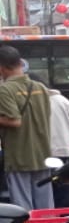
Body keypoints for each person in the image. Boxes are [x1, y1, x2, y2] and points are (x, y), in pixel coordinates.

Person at [0, 46, 53, 210]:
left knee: (23, 208)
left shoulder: (5, 89)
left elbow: (14, 121)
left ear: (2, 67)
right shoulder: (41, 88)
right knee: (45, 207)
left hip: (19, 157)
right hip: (43, 154)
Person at [48, 89, 69, 207]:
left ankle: (50, 214)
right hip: (68, 149)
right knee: (66, 184)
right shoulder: (64, 101)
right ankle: (63, 215)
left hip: (47, 151)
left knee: (48, 185)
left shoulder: (37, 101)